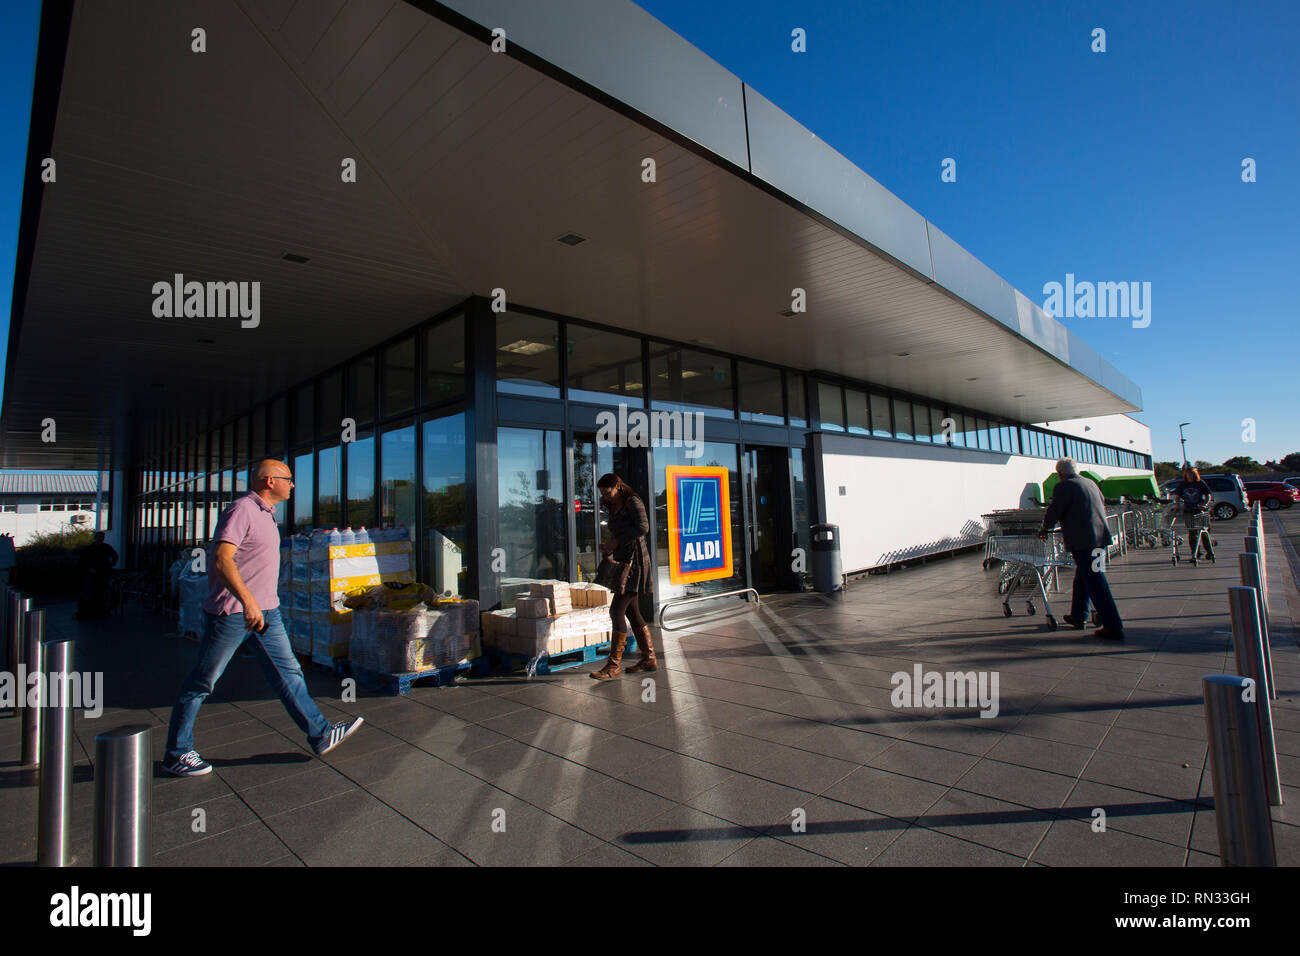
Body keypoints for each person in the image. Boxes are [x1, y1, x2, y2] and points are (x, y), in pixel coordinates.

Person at [163, 460, 362, 776]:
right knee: (203, 681)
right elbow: (221, 558)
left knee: (288, 673)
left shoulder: (267, 516)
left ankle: (321, 733)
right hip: (233, 613)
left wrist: (259, 604)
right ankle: (177, 753)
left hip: (265, 612)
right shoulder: (242, 509)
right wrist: (247, 601)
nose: (293, 485)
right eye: (289, 479)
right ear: (270, 481)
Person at [1038, 457, 1126, 640]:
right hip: (1099, 537)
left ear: (1060, 474)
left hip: (1084, 541)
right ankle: (1078, 615)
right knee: (1083, 578)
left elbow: (1055, 510)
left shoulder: (1064, 486)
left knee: (1095, 581)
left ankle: (1113, 625)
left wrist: (1045, 528)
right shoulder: (1090, 483)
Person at [590, 473, 656, 680]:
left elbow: (643, 528)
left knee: (616, 610)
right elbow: (621, 531)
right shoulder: (612, 505)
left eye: (607, 491)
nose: (606, 496)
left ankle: (613, 665)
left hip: (635, 562)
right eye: (602, 493)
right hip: (623, 561)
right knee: (632, 612)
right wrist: (610, 545)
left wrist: (616, 542)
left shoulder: (632, 501)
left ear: (617, 485)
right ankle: (649, 658)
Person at [1172, 465, 1215, 561]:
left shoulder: (1200, 483)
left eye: (1192, 474)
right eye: (1188, 474)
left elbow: (1208, 495)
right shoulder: (1183, 484)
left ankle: (1209, 552)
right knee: (1192, 533)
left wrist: (1205, 504)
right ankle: (1195, 553)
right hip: (1188, 510)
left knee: (1203, 532)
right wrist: (1177, 505)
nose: (1190, 476)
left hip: (1199, 510)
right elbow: (1177, 495)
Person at [75, 531, 118, 618]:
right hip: (91, 574)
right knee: (91, 591)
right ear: (95, 538)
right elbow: (82, 561)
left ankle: (99, 611)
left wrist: (110, 565)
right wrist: (88, 569)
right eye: (99, 538)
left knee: (101, 592)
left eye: (101, 538)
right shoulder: (89, 549)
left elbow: (115, 556)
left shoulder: (106, 548)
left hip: (102, 573)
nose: (100, 539)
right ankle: (90, 611)